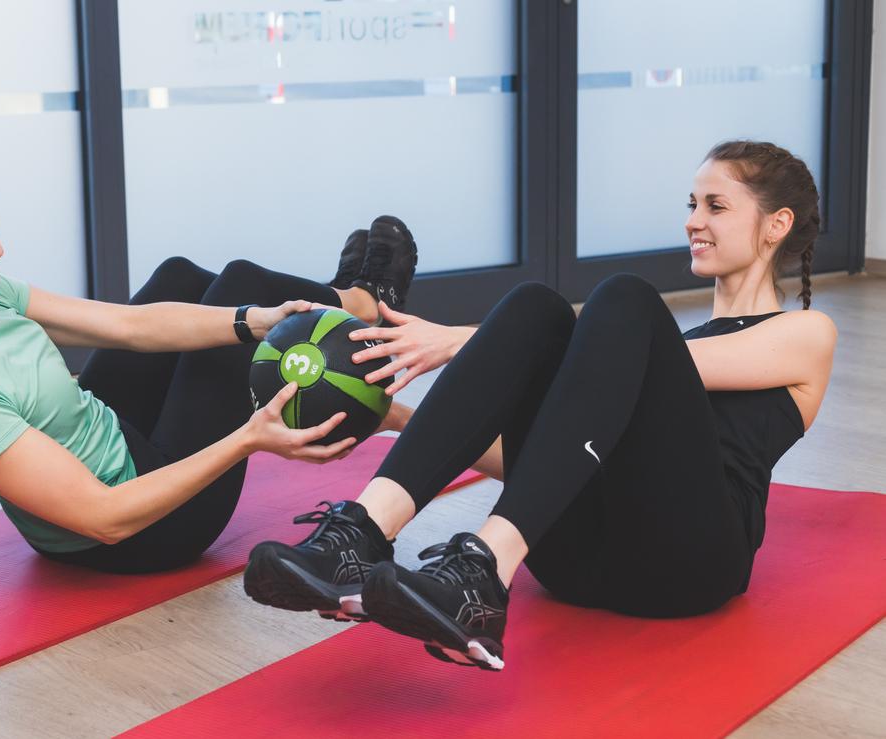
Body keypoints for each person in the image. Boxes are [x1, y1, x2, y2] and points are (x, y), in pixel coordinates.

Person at [243, 140, 837, 671]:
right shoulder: (652, 350)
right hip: (578, 562)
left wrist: (458, 340)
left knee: (622, 299)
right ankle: (361, 534)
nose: (692, 222)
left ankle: (483, 570)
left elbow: (647, 369)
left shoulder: (809, 334)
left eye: (716, 206)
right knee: (536, 306)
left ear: (776, 224)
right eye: (691, 204)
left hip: (689, 565)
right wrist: (391, 415)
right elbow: (548, 457)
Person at [0, 150, 418, 574]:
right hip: (141, 530)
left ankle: (360, 307)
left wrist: (254, 322)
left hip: (109, 435)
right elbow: (105, 518)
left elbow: (125, 326)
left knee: (182, 278)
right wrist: (247, 439)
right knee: (241, 283)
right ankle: (366, 304)